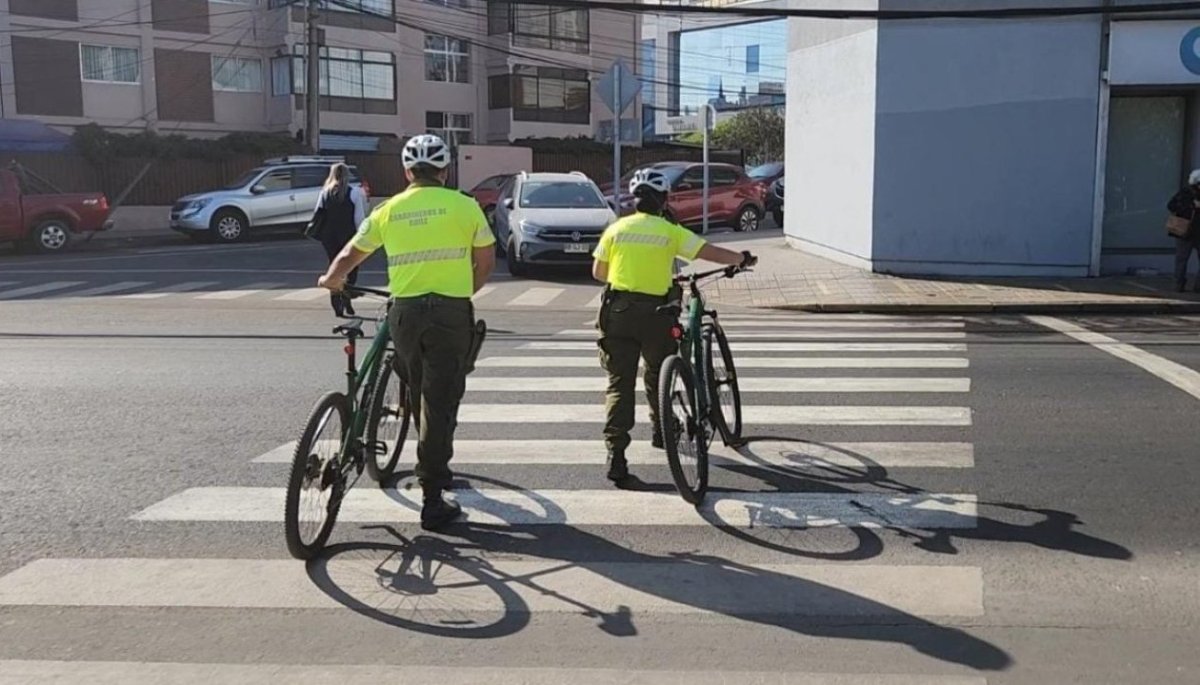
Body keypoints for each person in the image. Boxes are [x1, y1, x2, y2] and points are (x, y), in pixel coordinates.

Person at [318, 134, 496, 530]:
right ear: (445, 171)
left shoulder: (390, 209)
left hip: (405, 313)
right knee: (440, 400)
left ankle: (412, 443)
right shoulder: (465, 206)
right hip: (450, 313)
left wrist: (332, 279)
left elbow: (350, 253)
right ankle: (433, 496)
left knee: (416, 388)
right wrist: (463, 290)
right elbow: (485, 261)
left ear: (406, 172)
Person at [591, 168, 756, 486]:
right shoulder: (669, 231)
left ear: (634, 201)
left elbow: (599, 272)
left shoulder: (617, 229)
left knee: (618, 385)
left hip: (619, 313)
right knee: (658, 374)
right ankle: (661, 429)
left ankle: (616, 456)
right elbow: (708, 251)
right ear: (663, 200)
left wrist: (630, 273)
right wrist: (741, 258)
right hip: (657, 314)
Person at [312, 163, 369, 316]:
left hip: (329, 236)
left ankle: (336, 301)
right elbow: (359, 218)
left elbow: (318, 213)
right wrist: (362, 235)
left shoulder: (325, 192)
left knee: (334, 266)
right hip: (348, 235)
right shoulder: (355, 192)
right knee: (351, 267)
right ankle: (347, 298)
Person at [1167, 169, 1200, 292]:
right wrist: (1192, 206)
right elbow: (1171, 206)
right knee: (1181, 259)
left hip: (1194, 232)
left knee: (1181, 259)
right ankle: (1179, 284)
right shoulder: (1185, 193)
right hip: (1185, 232)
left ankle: (1196, 286)